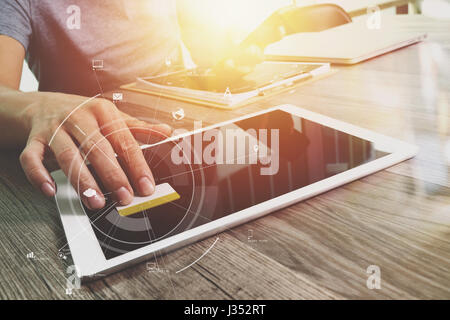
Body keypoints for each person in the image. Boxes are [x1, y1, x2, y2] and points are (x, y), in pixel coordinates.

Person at [0, 0, 267, 210]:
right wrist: (38, 109)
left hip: (182, 133)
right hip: (81, 157)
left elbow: (210, 53)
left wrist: (233, 57)